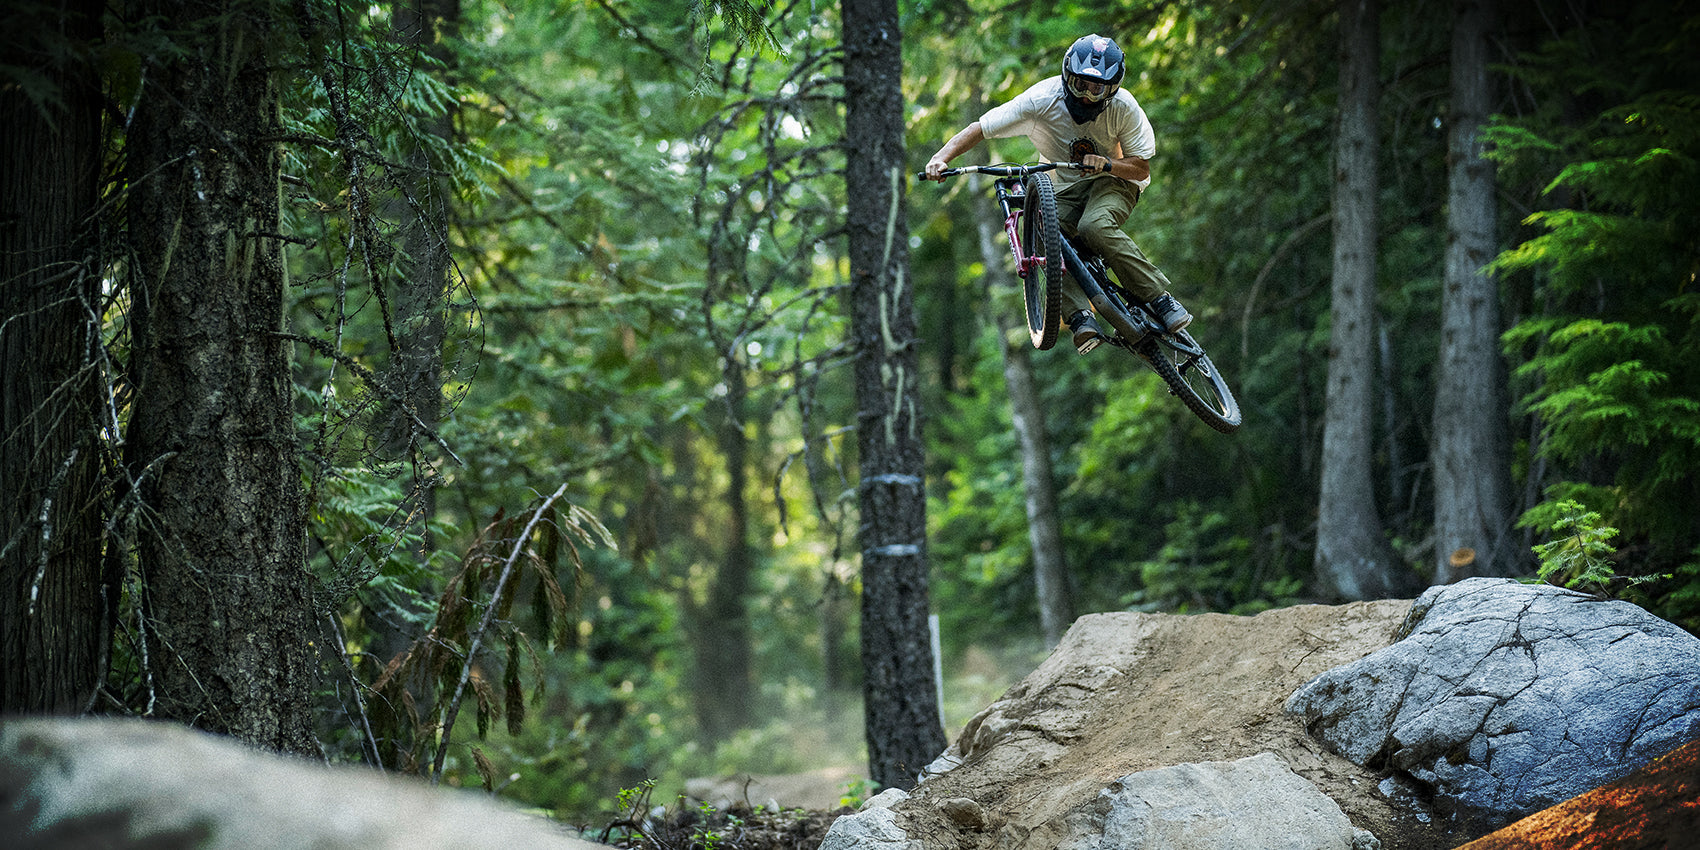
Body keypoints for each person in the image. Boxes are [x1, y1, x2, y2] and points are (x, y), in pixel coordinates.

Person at [923, 34, 1191, 354]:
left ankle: (1161, 300)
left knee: (1095, 226)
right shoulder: (1041, 100)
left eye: (1097, 89)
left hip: (1114, 180)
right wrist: (941, 158)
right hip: (1062, 188)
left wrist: (1107, 164)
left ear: (1112, 89)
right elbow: (981, 128)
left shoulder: (1124, 108)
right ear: (1066, 76)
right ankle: (1080, 318)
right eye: (1080, 85)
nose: (1088, 97)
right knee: (1041, 228)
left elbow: (1141, 169)